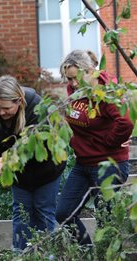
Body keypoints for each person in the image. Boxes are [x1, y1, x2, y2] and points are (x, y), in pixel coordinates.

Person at [56, 49, 133, 245]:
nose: (71, 84)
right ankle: (87, 251)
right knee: (64, 213)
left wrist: (107, 143)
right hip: (83, 164)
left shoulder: (106, 91)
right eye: (68, 79)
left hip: (109, 164)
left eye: (75, 78)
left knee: (105, 221)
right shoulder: (74, 91)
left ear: (89, 71)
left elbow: (125, 122)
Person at [0, 75, 66, 250]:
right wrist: (4, 171)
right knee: (21, 215)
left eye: (6, 108)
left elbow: (31, 146)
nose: (1, 112)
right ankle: (21, 254)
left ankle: (45, 254)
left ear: (19, 101)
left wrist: (3, 160)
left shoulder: (36, 106)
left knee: (43, 213)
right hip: (18, 172)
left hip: (46, 169)